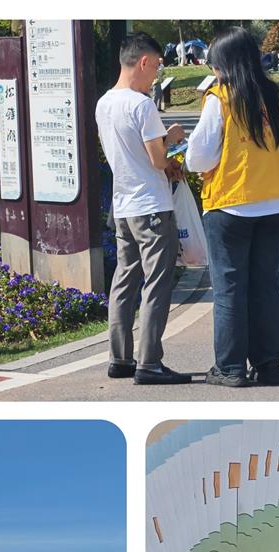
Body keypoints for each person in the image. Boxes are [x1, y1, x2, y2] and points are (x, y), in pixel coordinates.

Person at [185, 26, 279, 387]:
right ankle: (268, 364)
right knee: (266, 285)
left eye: (215, 64)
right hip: (275, 202)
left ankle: (230, 367)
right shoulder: (276, 96)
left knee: (229, 286)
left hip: (230, 204)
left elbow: (198, 158)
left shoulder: (221, 97)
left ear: (225, 63)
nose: (213, 71)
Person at [96, 32, 191, 386]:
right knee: (156, 283)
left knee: (124, 281)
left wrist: (162, 147)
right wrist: (174, 138)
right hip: (152, 207)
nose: (156, 77)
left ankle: (120, 358)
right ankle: (149, 362)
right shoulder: (142, 105)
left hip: (123, 207)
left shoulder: (103, 103)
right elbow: (156, 159)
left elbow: (129, 154)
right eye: (156, 68)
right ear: (144, 62)